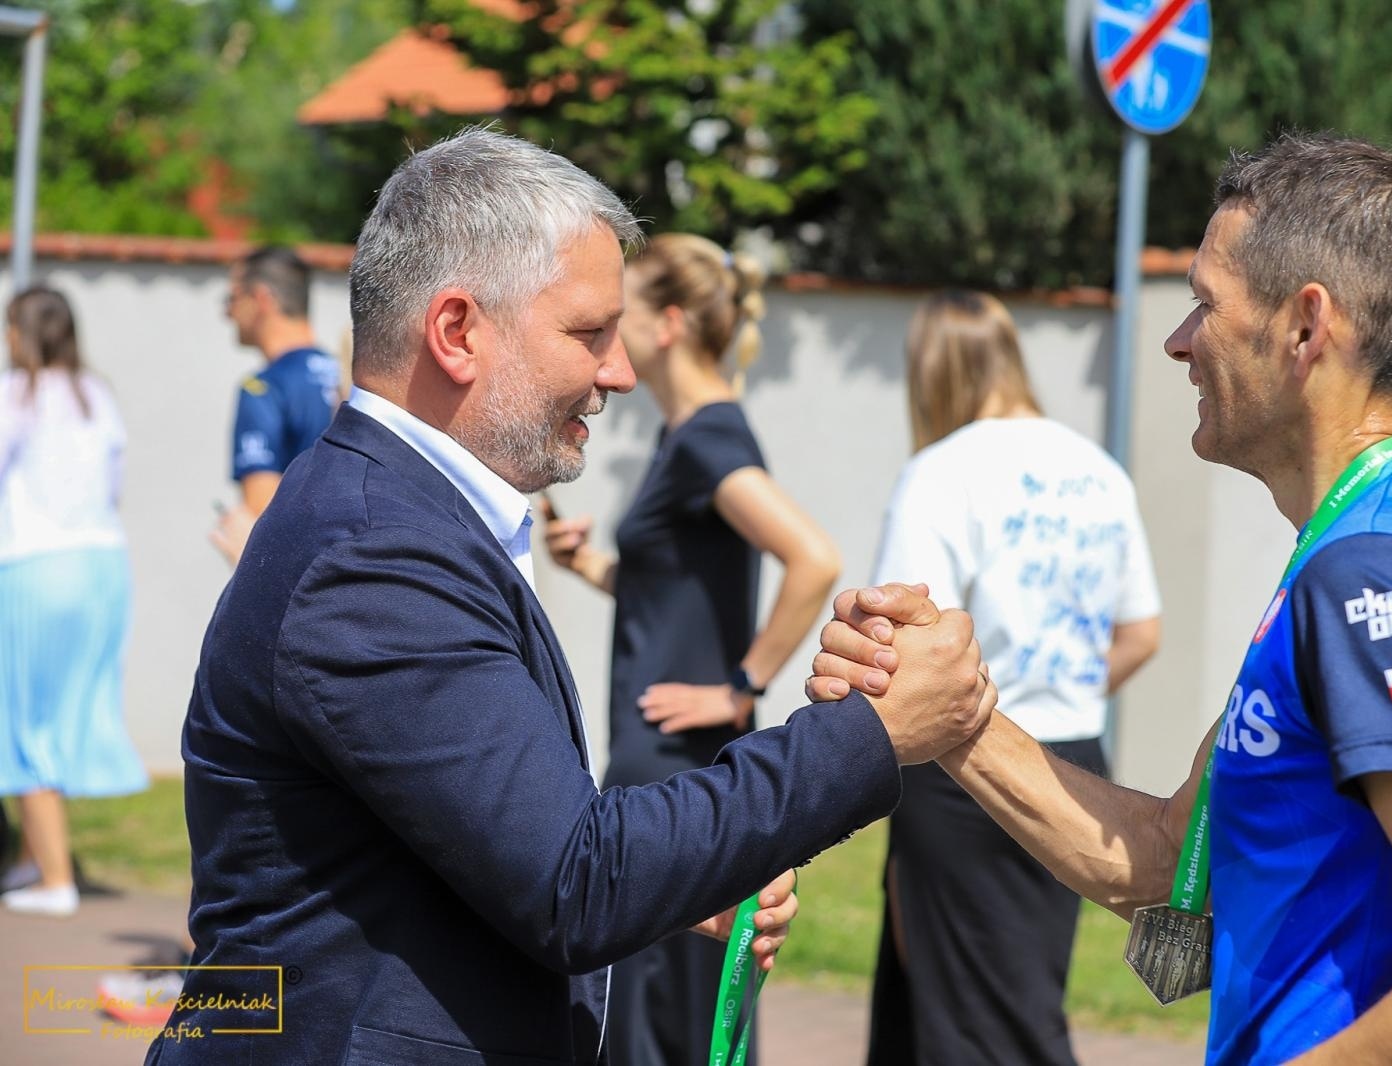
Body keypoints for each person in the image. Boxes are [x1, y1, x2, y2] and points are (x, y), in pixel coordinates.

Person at [152, 128, 996, 1066]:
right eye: (588, 333)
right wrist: (872, 733)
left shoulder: (402, 516)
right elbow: (576, 882)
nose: (618, 373)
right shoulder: (373, 553)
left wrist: (689, 874)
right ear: (458, 332)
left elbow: (504, 842)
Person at [807, 133, 1392, 1065]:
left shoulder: (1375, 575)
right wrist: (957, 718)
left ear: (1306, 327)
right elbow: (1167, 859)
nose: (1178, 341)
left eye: (1205, 306)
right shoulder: (1386, 537)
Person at [541, 233, 842, 1066]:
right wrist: (592, 565)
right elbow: (675, 586)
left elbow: (812, 558)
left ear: (667, 323)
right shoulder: (690, 435)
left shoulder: (709, 436)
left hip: (675, 758)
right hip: (662, 753)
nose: (607, 335)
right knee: (656, 1004)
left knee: (664, 1014)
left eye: (620, 314)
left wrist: (741, 687)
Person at [863, 289, 1161, 1066]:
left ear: (932, 371)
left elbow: (897, 642)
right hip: (1075, 766)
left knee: (970, 1022)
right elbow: (1141, 632)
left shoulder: (941, 472)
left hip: (964, 776)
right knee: (1013, 995)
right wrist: (1060, 686)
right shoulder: (1099, 472)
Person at [0, 286, 147, 917]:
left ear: (22, 333)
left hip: (36, 566)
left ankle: (54, 880)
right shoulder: (97, 396)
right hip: (103, 566)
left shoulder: (14, 393)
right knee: (65, 713)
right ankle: (33, 861)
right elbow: (112, 487)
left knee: (22, 722)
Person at [210, 245, 340, 564]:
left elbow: (263, 517)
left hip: (302, 578)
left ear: (261, 299)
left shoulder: (262, 389)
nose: (227, 314)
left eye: (232, 299)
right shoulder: (348, 378)